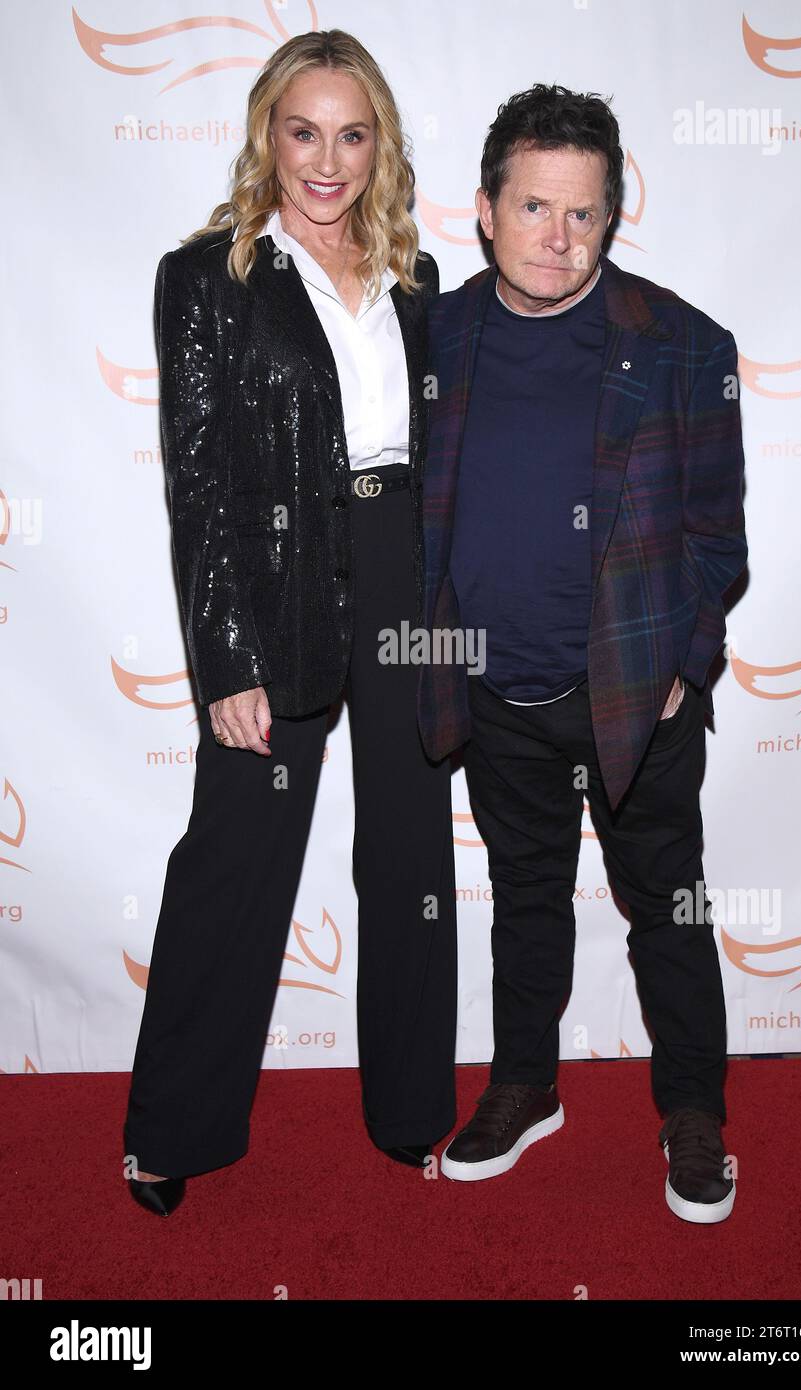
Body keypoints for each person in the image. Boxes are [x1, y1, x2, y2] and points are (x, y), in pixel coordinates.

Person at [123, 29, 457, 1216]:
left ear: (381, 147)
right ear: (269, 133)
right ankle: (171, 1127)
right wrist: (226, 654)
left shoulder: (413, 282)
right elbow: (199, 482)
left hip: (405, 574)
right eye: (303, 130)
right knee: (237, 857)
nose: (327, 160)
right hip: (278, 581)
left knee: (412, 859)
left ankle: (414, 1111)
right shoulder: (209, 277)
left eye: (351, 134)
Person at [417, 85, 747, 1223]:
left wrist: (682, 665)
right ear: (485, 209)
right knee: (524, 898)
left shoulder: (683, 345)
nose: (557, 238)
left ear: (611, 216)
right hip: (494, 689)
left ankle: (693, 1110)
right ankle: (523, 1087)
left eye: (583, 214)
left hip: (634, 700)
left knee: (672, 905)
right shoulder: (435, 336)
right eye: (534, 208)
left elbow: (716, 537)